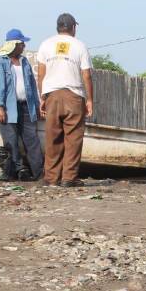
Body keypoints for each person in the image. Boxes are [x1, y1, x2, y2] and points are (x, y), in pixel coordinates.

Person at [37, 13, 93, 187]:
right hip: (74, 95)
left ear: (58, 27)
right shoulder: (80, 46)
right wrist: (90, 99)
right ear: (73, 27)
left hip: (52, 95)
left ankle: (51, 177)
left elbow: (40, 74)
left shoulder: (46, 44)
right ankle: (69, 178)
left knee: (52, 137)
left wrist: (42, 97)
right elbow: (86, 75)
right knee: (73, 138)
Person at [0, 28, 44, 181]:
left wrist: (37, 105)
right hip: (8, 108)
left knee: (32, 140)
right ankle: (16, 172)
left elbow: (32, 85)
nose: (24, 46)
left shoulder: (24, 61)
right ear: (13, 44)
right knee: (11, 141)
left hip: (26, 106)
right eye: (21, 44)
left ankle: (39, 173)